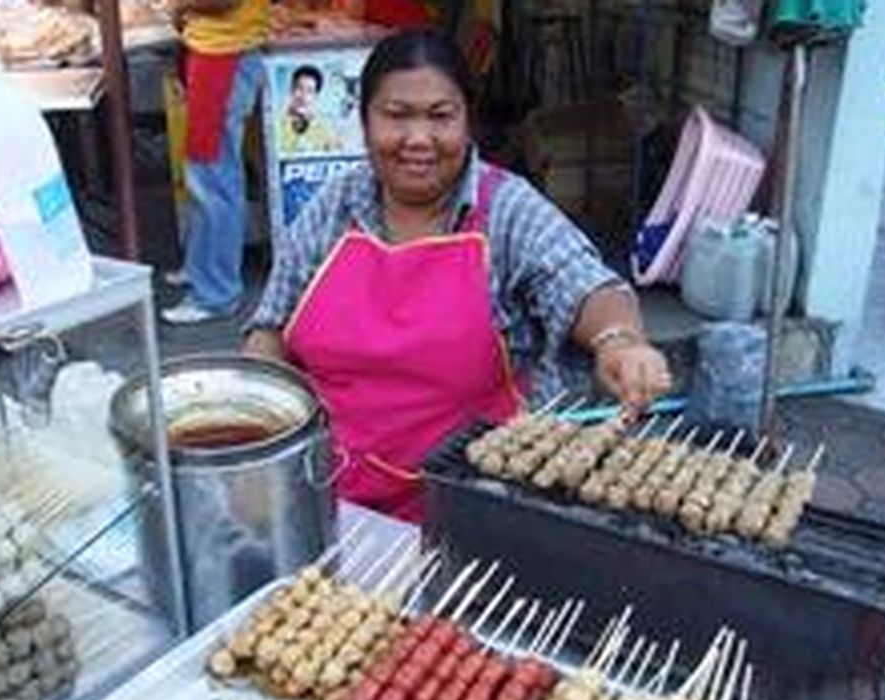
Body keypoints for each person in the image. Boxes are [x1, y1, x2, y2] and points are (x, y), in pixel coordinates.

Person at [243, 29, 672, 521]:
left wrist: (620, 342)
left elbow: (584, 284)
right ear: (363, 124)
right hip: (329, 497)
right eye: (396, 116)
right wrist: (259, 437)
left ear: (468, 122)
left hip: (475, 504)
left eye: (440, 117)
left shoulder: (504, 209)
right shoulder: (334, 206)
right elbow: (270, 327)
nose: (418, 139)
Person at [162, 0, 269, 324]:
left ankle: (215, 293)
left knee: (213, 177)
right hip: (218, 49)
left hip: (223, 53)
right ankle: (201, 269)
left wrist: (177, 6)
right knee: (206, 171)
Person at [279, 64, 340, 154]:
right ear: (291, 90)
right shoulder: (276, 126)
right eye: (299, 88)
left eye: (309, 91)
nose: (303, 97)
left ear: (315, 96)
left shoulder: (324, 129)